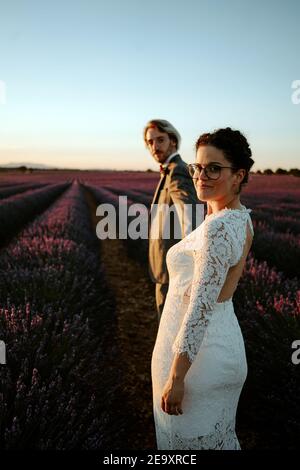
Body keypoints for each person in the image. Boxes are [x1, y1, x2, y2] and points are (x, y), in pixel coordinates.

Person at [151, 127, 255, 450]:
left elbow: (200, 307)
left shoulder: (218, 230)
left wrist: (177, 377)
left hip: (199, 363)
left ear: (238, 175)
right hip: (223, 346)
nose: (201, 175)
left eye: (214, 168)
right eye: (198, 167)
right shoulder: (241, 219)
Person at [144, 119, 200, 324]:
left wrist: (188, 264)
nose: (154, 146)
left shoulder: (177, 170)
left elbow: (191, 217)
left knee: (169, 333)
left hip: (173, 272)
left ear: (173, 141)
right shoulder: (169, 169)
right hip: (166, 269)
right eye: (150, 142)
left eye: (160, 140)